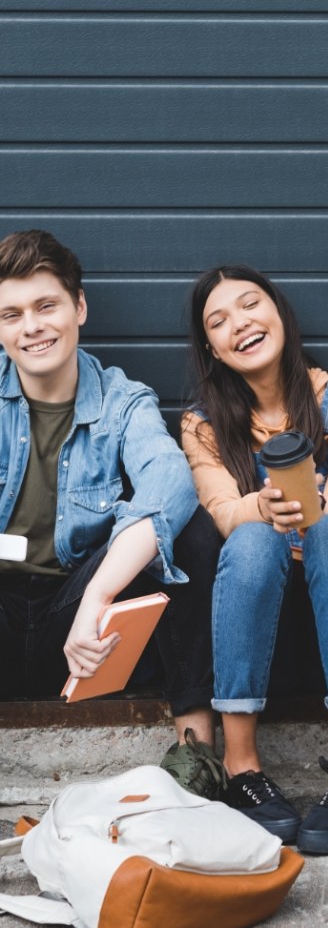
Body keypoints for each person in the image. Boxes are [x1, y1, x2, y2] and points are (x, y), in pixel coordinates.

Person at [0, 230, 221, 796]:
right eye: (11, 314)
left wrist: (96, 597)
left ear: (79, 307)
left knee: (189, 531)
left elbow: (171, 484)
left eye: (46, 306)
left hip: (76, 628)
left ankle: (196, 757)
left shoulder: (124, 400)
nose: (31, 328)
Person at [181, 265, 328, 855]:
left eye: (250, 306)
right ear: (212, 350)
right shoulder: (202, 427)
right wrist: (260, 510)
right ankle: (241, 768)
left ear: (280, 315)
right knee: (250, 538)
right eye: (218, 321)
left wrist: (309, 511)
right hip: (251, 639)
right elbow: (221, 511)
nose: (239, 324)